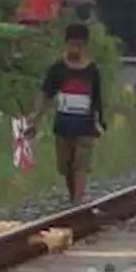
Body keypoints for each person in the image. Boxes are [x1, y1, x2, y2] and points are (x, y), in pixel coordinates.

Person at [26, 23, 105, 205]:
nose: (74, 49)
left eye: (78, 45)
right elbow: (46, 94)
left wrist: (99, 121)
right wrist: (35, 118)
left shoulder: (92, 71)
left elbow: (97, 98)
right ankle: (73, 197)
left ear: (85, 46)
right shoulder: (58, 69)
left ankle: (78, 202)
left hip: (85, 125)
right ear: (66, 44)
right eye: (71, 44)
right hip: (63, 125)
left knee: (81, 164)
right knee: (65, 165)